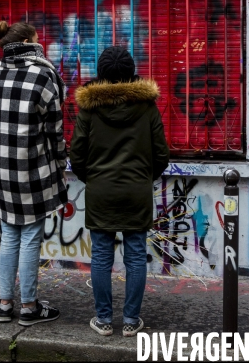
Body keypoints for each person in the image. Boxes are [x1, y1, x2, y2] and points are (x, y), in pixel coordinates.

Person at [69, 46, 170, 337]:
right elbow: (161, 155)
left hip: (101, 192)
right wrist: (142, 178)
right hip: (136, 192)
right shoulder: (147, 107)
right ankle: (130, 320)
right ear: (130, 73)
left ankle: (103, 320)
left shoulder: (89, 109)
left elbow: (77, 154)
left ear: (101, 74)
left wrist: (94, 179)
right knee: (136, 255)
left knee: (101, 255)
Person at [0, 20, 67, 326]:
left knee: (9, 234)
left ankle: (5, 304)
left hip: (2, 169)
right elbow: (55, 131)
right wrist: (60, 166)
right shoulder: (44, 74)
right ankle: (30, 307)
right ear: (32, 41)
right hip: (32, 168)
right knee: (31, 235)